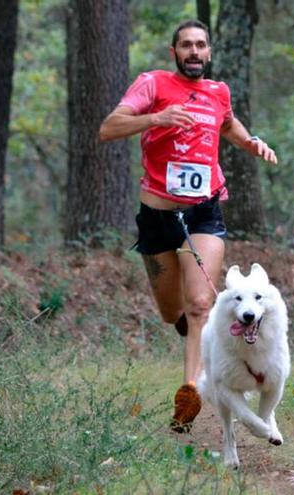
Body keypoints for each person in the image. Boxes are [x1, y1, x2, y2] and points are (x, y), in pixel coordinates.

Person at [98, 19, 277, 433]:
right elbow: (109, 128)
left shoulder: (218, 92)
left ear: (209, 53)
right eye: (186, 45)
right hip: (158, 217)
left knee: (200, 305)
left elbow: (227, 124)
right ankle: (186, 327)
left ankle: (189, 393)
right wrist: (156, 119)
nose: (194, 52)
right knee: (171, 311)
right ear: (173, 52)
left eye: (200, 45)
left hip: (203, 212)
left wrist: (250, 143)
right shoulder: (153, 84)